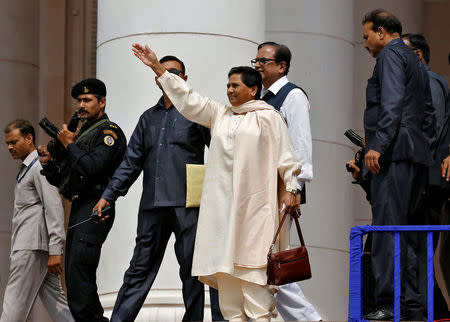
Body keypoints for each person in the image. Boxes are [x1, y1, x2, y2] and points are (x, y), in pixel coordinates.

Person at [130, 43, 301, 321]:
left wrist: (292, 188)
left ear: (253, 89)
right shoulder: (220, 116)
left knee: (257, 295)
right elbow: (188, 99)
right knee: (230, 301)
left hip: (256, 212)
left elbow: (288, 159)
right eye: (228, 86)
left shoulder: (270, 118)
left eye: (235, 86)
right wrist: (157, 67)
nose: (230, 91)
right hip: (222, 217)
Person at [93, 55, 224, 321]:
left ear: (184, 79)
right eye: (164, 72)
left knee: (193, 270)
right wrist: (109, 196)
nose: (170, 76)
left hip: (188, 206)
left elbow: (224, 154)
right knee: (139, 268)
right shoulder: (147, 119)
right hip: (152, 205)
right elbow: (131, 162)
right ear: (157, 79)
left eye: (175, 72)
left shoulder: (196, 115)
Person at [361, 10, 436, 320]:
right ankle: (411, 302)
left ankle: (387, 302)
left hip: (394, 156)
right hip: (416, 157)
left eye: (366, 36)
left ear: (381, 31)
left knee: (388, 227)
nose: (364, 43)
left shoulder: (391, 55)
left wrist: (378, 145)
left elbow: (390, 103)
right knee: (410, 233)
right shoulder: (416, 62)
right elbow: (429, 114)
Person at [38, 79, 127, 322]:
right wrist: (48, 165)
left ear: (102, 102)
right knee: (75, 278)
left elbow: (93, 167)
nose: (81, 105)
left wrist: (69, 144)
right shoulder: (82, 134)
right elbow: (66, 181)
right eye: (79, 101)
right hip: (79, 206)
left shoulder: (109, 132)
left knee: (80, 273)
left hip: (96, 204)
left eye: (87, 100)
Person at [252, 41, 321, 321]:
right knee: (267, 264)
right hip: (262, 190)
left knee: (274, 263)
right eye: (255, 61)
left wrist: (294, 189)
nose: (257, 66)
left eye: (263, 61)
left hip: (282, 191)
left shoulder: (293, 97)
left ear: (281, 66)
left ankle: (309, 319)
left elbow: (301, 148)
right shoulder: (262, 99)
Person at [1, 119, 73, 322]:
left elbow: (54, 207)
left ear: (29, 138)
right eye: (7, 143)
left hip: (31, 247)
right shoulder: (28, 168)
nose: (10, 147)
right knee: (58, 306)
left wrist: (55, 249)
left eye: (14, 141)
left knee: (13, 305)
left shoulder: (38, 165)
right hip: (34, 246)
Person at [402, 33, 450, 318]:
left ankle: (425, 310)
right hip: (422, 179)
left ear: (418, 55)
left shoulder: (429, 83)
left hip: (427, 181)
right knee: (416, 249)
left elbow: (430, 132)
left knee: (420, 248)